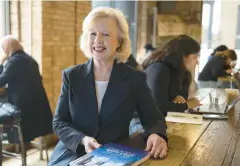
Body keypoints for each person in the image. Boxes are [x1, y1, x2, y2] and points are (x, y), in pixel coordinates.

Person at [48, 7, 168, 166]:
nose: (97, 39)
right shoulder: (72, 76)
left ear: (119, 41)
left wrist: (155, 134)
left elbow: (153, 119)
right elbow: (59, 122)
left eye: (105, 34)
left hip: (115, 155)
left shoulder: (135, 78)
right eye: (92, 33)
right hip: (72, 153)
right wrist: (83, 139)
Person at [0, 35, 53, 143]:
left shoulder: (14, 61)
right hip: (36, 112)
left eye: (3, 48)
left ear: (7, 48)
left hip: (23, 113)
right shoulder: (30, 60)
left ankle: (2, 136)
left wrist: (0, 64)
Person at [142, 35, 202, 117]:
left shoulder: (182, 73)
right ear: (183, 55)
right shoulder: (159, 69)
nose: (197, 62)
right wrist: (187, 105)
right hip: (142, 123)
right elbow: (157, 108)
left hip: (163, 120)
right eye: (195, 57)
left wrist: (180, 101)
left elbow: (176, 103)